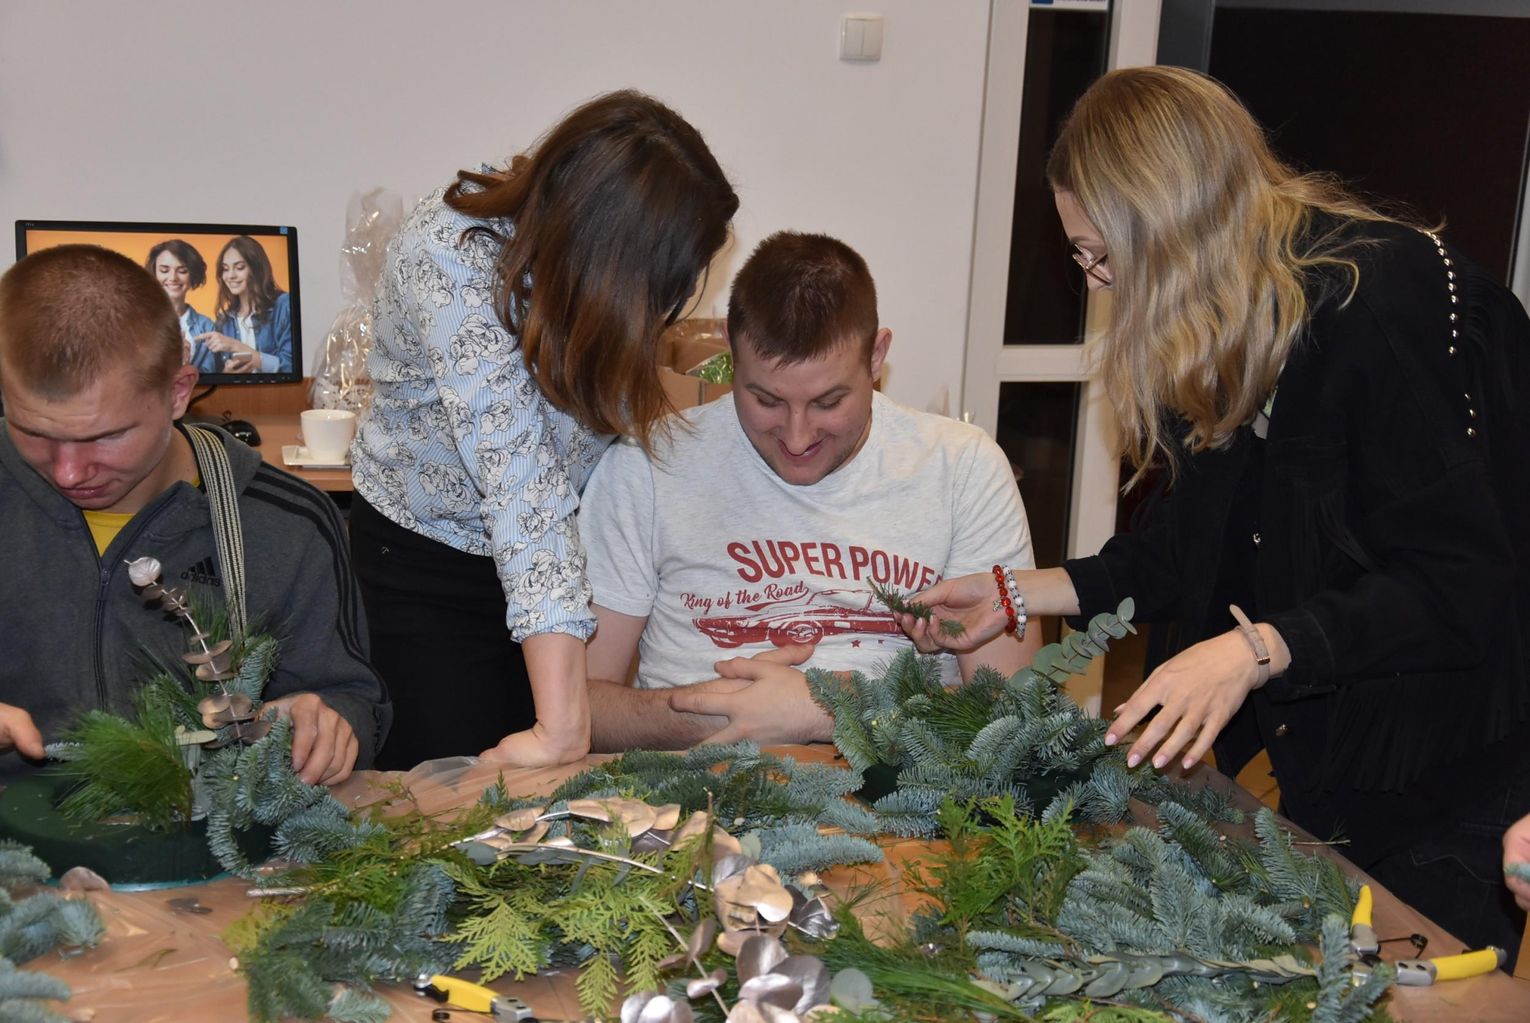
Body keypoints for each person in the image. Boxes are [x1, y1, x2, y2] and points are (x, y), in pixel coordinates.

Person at [902, 66, 1530, 956]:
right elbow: (1186, 552)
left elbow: (1457, 583)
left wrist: (1254, 650)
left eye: (1101, 254)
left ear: (1168, 226)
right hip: (1339, 759)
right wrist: (1016, 591)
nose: (1099, 282)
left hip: (1455, 767)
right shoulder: (1225, 321)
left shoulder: (1381, 307)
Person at [349, 90, 738, 771]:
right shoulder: (452, 255)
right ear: (616, 252)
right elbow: (520, 484)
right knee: (449, 792)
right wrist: (562, 727)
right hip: (428, 568)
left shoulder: (591, 269)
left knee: (538, 796)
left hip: (552, 566)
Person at [579, 231, 1043, 752]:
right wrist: (721, 717)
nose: (797, 438)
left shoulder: (963, 468)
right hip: (692, 787)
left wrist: (829, 711)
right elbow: (579, 708)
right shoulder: (647, 463)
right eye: (766, 400)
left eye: (828, 402)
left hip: (901, 795)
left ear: (876, 357)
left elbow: (1014, 713)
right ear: (731, 351)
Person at [0, 244, 392, 786]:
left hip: (208, 827)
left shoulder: (288, 524)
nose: (69, 472)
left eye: (105, 436)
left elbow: (354, 701)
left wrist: (329, 721)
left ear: (178, 392)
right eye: (34, 432)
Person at [197, 235, 293, 374]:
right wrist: (227, 374)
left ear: (257, 269)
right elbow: (217, 377)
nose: (230, 275)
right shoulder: (223, 322)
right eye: (225, 269)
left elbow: (290, 367)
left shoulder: (284, 305)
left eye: (239, 267)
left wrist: (236, 346)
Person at [144, 239, 218, 371]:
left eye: (182, 271)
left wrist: (185, 365)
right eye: (164, 270)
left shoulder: (207, 326)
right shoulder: (138, 321)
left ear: (193, 275)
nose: (173, 278)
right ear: (154, 274)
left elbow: (210, 375)